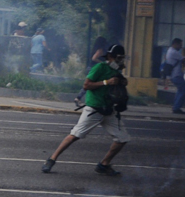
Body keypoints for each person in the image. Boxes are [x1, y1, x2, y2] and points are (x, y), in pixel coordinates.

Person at [42, 44, 129, 176]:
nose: (120, 61)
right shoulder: (100, 67)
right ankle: (51, 159)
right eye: (118, 58)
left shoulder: (117, 71)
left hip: (109, 110)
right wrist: (106, 82)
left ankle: (104, 164)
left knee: (122, 138)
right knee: (75, 135)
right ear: (110, 57)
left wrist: (121, 82)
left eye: (122, 58)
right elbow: (87, 85)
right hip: (94, 108)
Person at [74, 36, 108, 108]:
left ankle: (78, 98)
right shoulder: (100, 50)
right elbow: (94, 58)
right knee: (91, 85)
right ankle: (78, 98)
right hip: (93, 70)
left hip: (91, 68)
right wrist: (102, 63)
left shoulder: (96, 49)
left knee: (89, 85)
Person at [166, 38, 184, 114]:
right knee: (183, 90)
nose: (181, 47)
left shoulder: (170, 51)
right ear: (175, 44)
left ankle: (176, 107)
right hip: (176, 75)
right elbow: (183, 59)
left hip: (175, 75)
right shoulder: (173, 52)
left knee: (181, 90)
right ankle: (176, 107)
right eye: (180, 45)